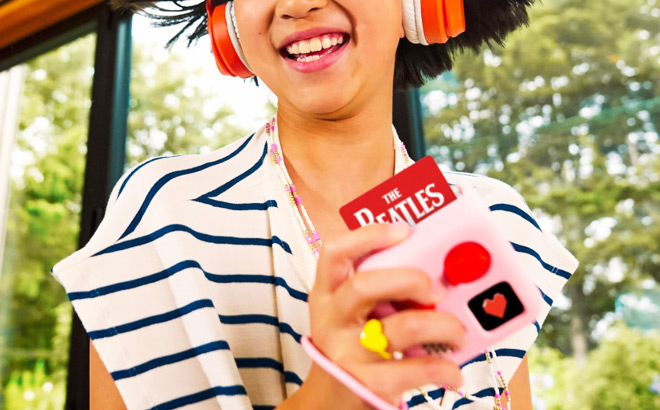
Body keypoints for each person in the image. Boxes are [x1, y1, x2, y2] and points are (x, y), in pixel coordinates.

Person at [52, 0, 579, 409]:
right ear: (227, 23)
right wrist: (332, 393)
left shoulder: (496, 219)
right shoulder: (162, 216)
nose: (297, 4)